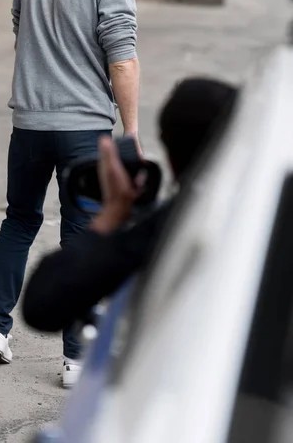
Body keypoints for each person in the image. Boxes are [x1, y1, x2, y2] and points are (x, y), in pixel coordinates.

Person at [0, 0, 161, 389]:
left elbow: (21, 29)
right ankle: (75, 358)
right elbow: (122, 61)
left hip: (31, 124)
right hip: (85, 129)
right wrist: (132, 132)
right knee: (83, 231)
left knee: (19, 220)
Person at [22, 78, 239, 334]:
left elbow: (44, 304)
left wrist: (113, 212)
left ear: (170, 157)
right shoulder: (269, 211)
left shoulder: (171, 227)